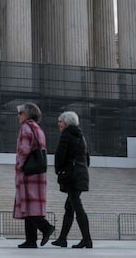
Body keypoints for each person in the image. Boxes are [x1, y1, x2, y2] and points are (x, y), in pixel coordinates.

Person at [14, 102, 55, 248]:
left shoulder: (25, 127)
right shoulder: (38, 128)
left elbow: (24, 150)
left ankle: (46, 227)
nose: (18, 116)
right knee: (31, 205)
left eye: (20, 113)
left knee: (27, 205)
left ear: (27, 114)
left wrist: (19, 166)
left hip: (28, 172)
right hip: (38, 171)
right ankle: (31, 240)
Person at [51, 111, 92, 248]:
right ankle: (62, 239)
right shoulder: (81, 136)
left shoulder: (66, 135)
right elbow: (87, 158)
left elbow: (60, 155)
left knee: (77, 207)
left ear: (67, 123)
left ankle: (87, 239)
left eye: (60, 121)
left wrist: (59, 170)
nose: (59, 124)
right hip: (81, 174)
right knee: (69, 207)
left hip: (71, 175)